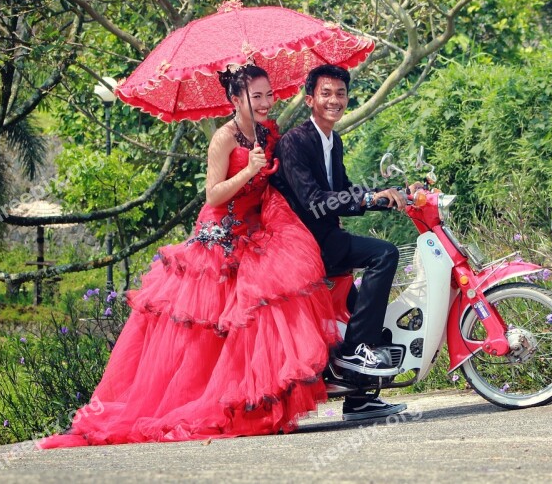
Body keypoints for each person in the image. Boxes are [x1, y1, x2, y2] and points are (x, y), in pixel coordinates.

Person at [38, 64, 341, 448]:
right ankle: (201, 404)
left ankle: (256, 407)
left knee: (257, 319)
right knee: (207, 334)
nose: (267, 102)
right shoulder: (223, 139)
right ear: (235, 100)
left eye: (269, 95)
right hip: (221, 237)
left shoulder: (268, 131)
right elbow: (213, 195)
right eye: (258, 96)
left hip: (258, 232)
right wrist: (248, 171)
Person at [272, 64, 408, 421]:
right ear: (310, 99)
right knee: (384, 254)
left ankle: (359, 399)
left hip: (327, 236)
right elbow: (316, 201)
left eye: (341, 94)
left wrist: (385, 196)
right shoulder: (295, 142)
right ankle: (357, 349)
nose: (335, 100)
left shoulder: (333, 140)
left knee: (360, 308)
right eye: (326, 93)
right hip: (307, 242)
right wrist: (366, 199)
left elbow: (344, 188)